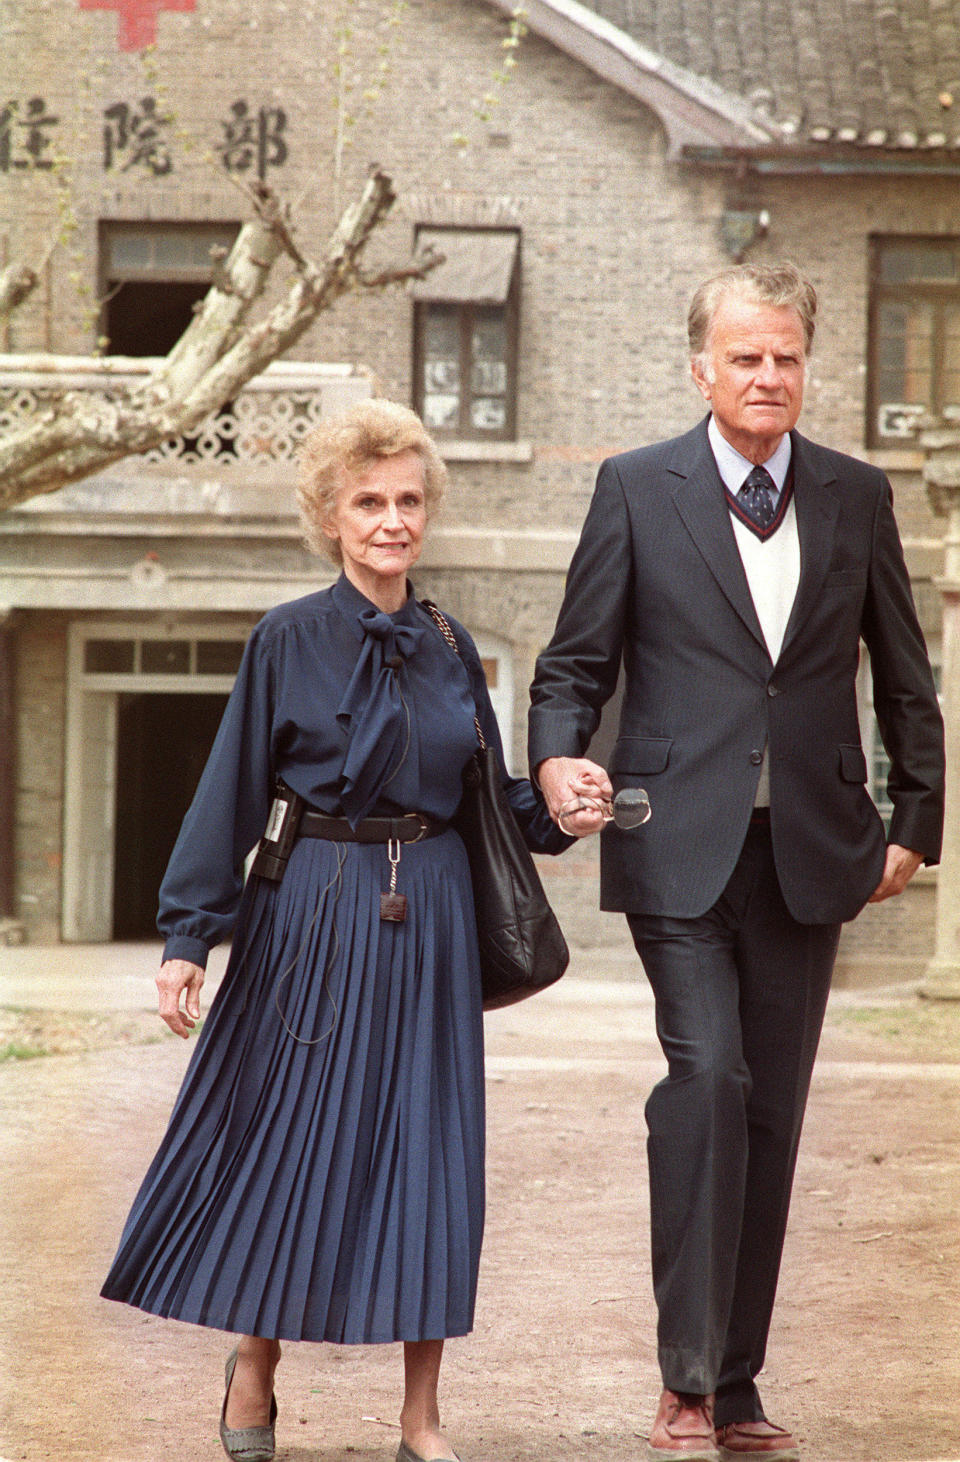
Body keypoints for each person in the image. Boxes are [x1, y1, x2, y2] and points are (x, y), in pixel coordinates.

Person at [101, 398, 577, 1462]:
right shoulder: (287, 637)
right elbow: (227, 794)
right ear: (330, 515)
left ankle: (421, 1417)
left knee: (431, 1157)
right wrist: (188, 937)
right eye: (369, 501)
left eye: (409, 500)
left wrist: (561, 806)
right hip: (308, 910)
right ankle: (258, 1363)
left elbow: (488, 797)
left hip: (435, 923)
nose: (392, 520)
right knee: (285, 1141)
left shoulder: (452, 643)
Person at [528, 263, 945, 1461]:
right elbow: (572, 662)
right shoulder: (635, 489)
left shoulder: (858, 498)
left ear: (806, 368)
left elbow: (904, 675)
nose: (769, 378)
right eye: (746, 357)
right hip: (677, 844)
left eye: (787, 359)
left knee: (773, 1112)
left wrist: (916, 820)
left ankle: (741, 1379)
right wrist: (558, 764)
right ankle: (687, 1376)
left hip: (810, 849)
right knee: (708, 1082)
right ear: (701, 367)